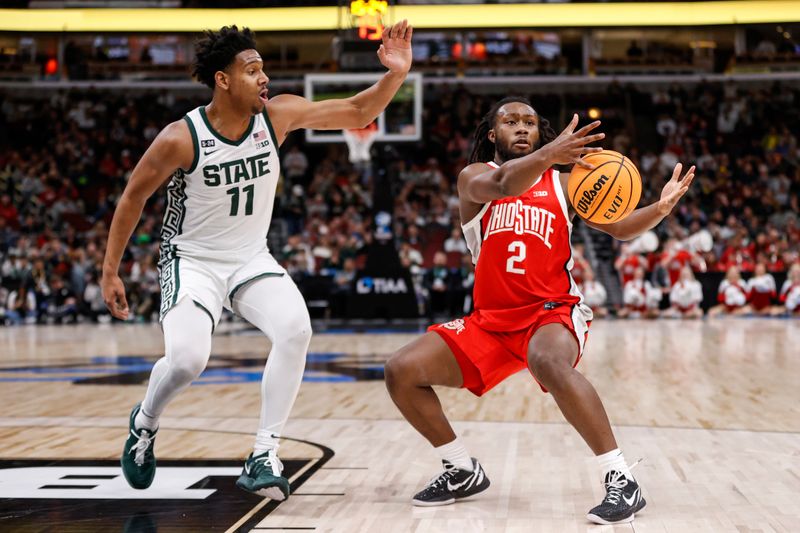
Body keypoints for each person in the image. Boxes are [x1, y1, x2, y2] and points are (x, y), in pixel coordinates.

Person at [101, 23, 413, 499]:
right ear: (222, 80)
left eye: (263, 68)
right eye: (252, 70)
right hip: (193, 261)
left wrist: (394, 75)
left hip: (249, 258)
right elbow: (132, 198)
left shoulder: (278, 115)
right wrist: (109, 271)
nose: (264, 77)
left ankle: (264, 453)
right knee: (187, 360)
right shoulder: (180, 138)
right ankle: (144, 423)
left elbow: (357, 110)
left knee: (296, 329)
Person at [383, 96, 695, 525]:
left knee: (547, 359)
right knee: (401, 370)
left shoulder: (565, 184)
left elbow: (619, 228)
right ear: (493, 134)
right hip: (490, 322)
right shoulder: (475, 177)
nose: (522, 128)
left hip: (551, 311)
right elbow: (504, 186)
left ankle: (620, 478)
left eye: (530, 121)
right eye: (511, 122)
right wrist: (551, 153)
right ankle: (460, 469)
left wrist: (657, 210)